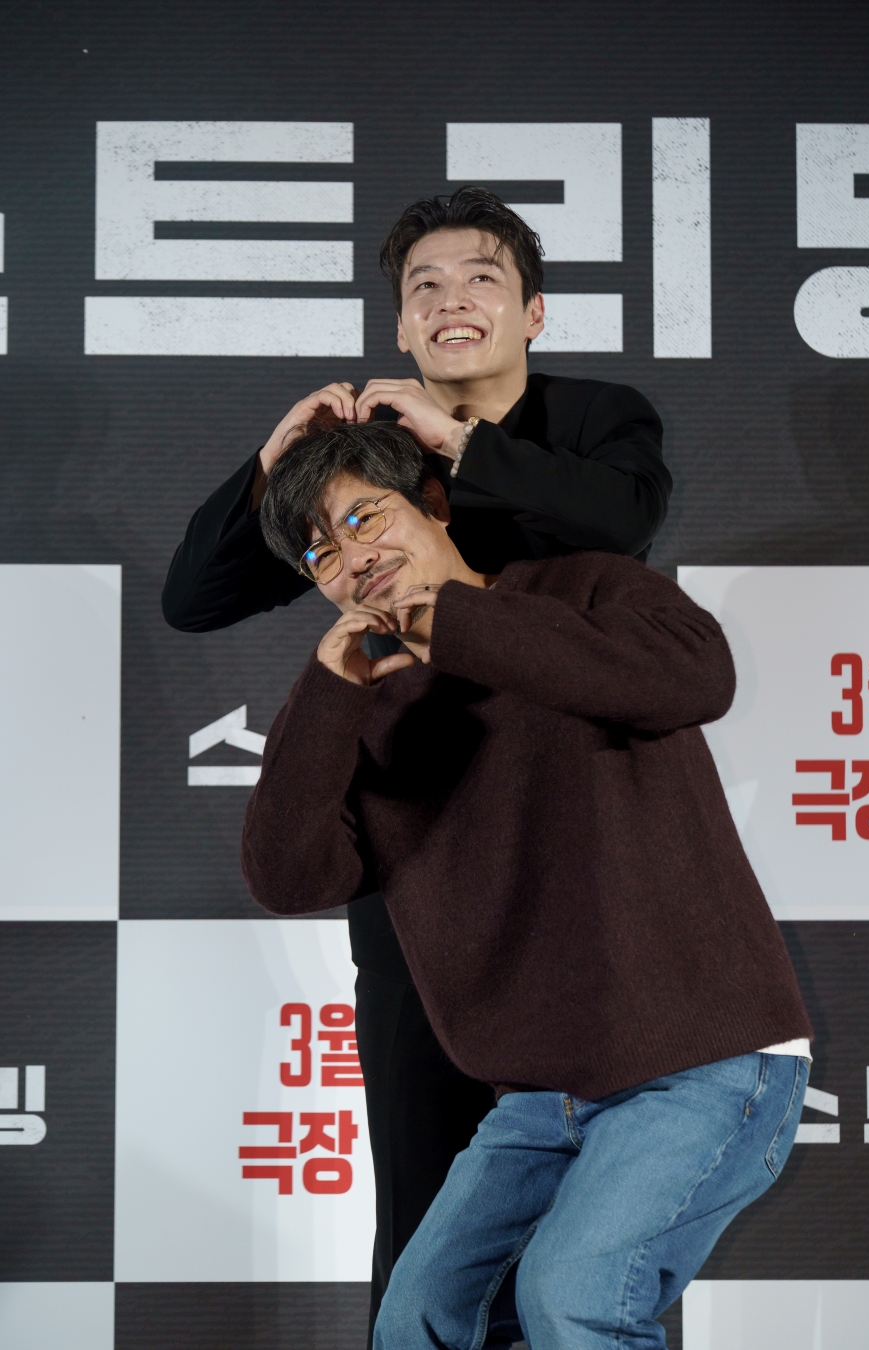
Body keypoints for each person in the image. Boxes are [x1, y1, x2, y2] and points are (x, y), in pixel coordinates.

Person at [161, 187, 672, 1337]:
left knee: (599, 1230)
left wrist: (457, 444)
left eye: (482, 277)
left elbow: (622, 523)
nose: (452, 300)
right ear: (399, 325)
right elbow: (195, 598)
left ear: (532, 312)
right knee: (428, 1211)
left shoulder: (596, 420)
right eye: (424, 287)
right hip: (416, 849)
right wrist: (276, 459)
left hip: (579, 855)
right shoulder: (362, 465)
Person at [242, 420, 812, 1350]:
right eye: (321, 554)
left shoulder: (585, 591)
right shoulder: (369, 707)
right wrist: (330, 692)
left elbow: (699, 675)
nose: (354, 559)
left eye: (364, 517)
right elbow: (289, 875)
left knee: (572, 1297)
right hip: (539, 1098)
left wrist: (450, 624)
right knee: (418, 1318)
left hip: (702, 1059)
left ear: (432, 502)